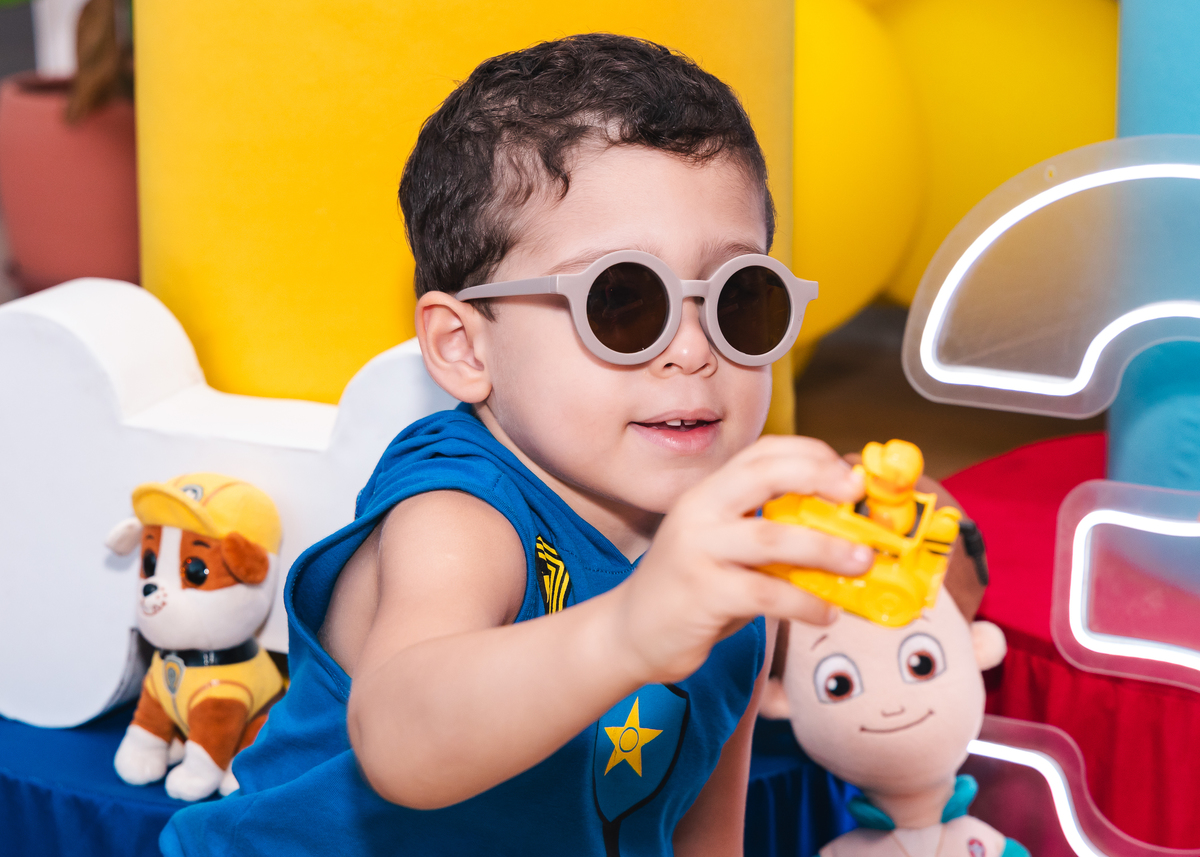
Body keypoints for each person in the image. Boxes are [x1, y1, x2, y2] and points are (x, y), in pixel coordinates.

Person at [162, 32, 897, 857]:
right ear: (465, 348)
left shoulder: (729, 555)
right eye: (623, 301)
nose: (694, 350)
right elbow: (401, 740)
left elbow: (701, 830)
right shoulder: (460, 513)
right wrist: (633, 628)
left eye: (738, 297)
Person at [759, 587, 1025, 857]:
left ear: (978, 646)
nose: (892, 708)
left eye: (922, 664)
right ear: (780, 698)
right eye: (839, 685)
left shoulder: (985, 844)